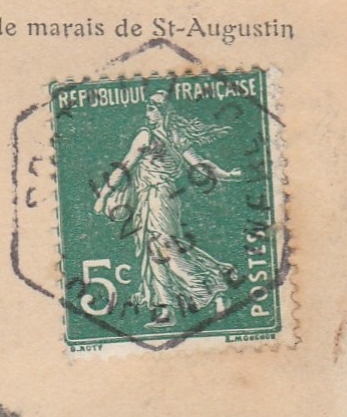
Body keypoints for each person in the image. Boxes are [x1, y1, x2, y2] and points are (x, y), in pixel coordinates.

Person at [91, 92, 243, 329]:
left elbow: (126, 168)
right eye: (147, 109)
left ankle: (206, 287)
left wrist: (103, 197)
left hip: (159, 198)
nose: (147, 114)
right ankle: (166, 309)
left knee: (164, 248)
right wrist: (226, 175)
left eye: (151, 109)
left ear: (162, 111)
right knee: (157, 251)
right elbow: (127, 167)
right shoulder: (163, 136)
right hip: (153, 199)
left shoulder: (158, 136)